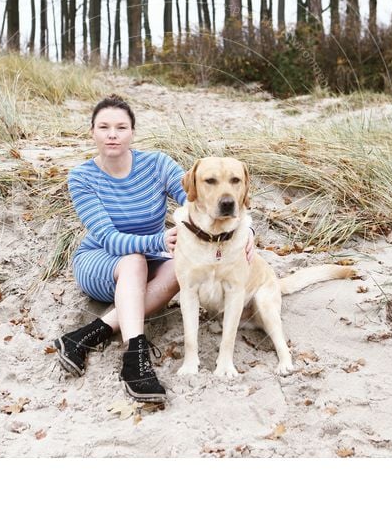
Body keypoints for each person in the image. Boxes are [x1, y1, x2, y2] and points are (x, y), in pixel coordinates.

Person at [54, 94, 255, 403]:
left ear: (132, 132)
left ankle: (86, 335)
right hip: (101, 261)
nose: (112, 134)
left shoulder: (157, 163)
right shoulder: (82, 177)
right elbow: (108, 238)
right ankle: (135, 358)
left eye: (121, 127)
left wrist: (244, 228)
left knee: (181, 266)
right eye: (103, 126)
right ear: (92, 132)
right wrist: (157, 241)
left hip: (153, 259)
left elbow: (197, 197)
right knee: (133, 260)